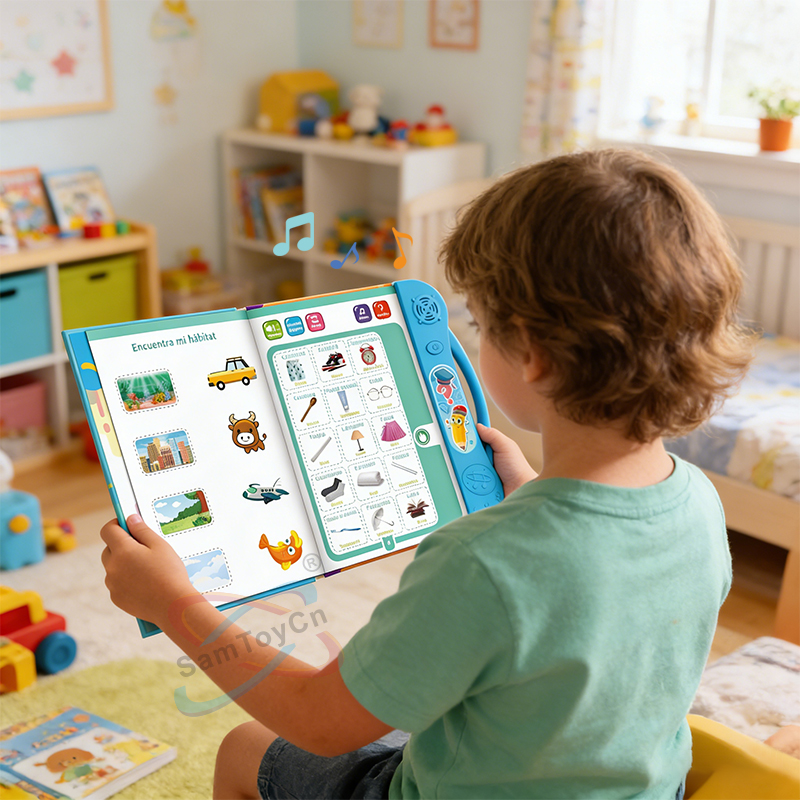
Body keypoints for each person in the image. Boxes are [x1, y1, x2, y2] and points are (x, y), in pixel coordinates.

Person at [100, 149, 753, 799]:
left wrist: (174, 604)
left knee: (247, 749)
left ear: (529, 352)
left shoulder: (483, 562)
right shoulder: (697, 502)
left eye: (479, 323)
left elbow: (317, 719)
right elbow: (593, 598)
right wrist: (529, 493)